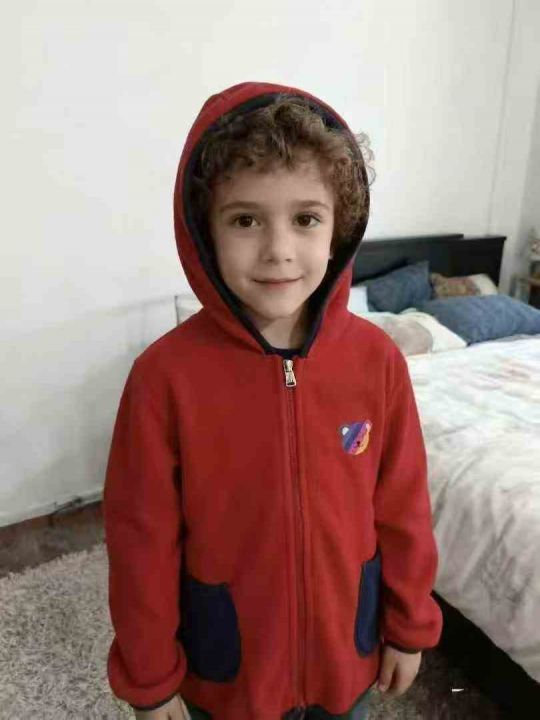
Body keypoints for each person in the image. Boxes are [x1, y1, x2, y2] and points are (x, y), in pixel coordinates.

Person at [103, 81, 443, 720]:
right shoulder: (163, 378)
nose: (279, 250)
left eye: (306, 218)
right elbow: (140, 540)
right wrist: (149, 674)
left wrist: (409, 623)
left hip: (348, 657)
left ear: (341, 228)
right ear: (204, 230)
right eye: (245, 220)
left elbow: (404, 506)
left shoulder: (378, 361)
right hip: (226, 670)